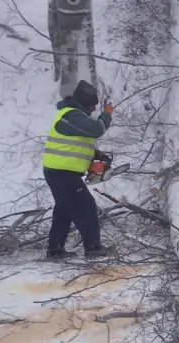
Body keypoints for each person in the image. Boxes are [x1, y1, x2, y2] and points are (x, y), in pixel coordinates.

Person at [42, 80, 115, 259]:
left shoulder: (74, 117)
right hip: (62, 173)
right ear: (84, 103)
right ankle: (93, 248)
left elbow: (76, 143)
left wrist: (96, 154)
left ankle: (55, 249)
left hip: (60, 172)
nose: (92, 109)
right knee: (86, 207)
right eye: (92, 105)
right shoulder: (71, 116)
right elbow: (97, 129)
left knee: (65, 209)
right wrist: (107, 115)